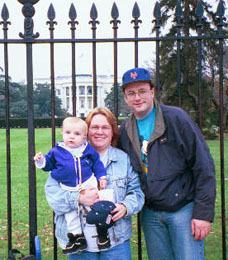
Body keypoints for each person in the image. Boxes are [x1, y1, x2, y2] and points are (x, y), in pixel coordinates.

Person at [118, 67, 216, 260]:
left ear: (152, 92)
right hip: (151, 213)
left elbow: (203, 165)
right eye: (131, 93)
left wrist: (203, 213)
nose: (137, 97)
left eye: (142, 91)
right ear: (125, 97)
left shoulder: (176, 119)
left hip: (184, 209)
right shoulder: (125, 130)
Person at [44, 108, 145, 260]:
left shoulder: (123, 159)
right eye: (95, 127)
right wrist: (78, 198)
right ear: (87, 132)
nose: (100, 132)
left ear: (113, 131)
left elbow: (137, 193)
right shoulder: (64, 158)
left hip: (115, 242)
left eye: (105, 127)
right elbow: (53, 195)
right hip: (81, 246)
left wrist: (125, 207)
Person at [34, 117, 108, 254]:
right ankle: (77, 237)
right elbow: (48, 165)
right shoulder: (57, 151)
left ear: (84, 136)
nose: (71, 137)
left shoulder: (87, 150)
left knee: (94, 207)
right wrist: (41, 161)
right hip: (68, 187)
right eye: (68, 133)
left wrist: (101, 177)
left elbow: (97, 164)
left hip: (87, 182)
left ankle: (102, 232)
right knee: (70, 213)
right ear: (62, 133)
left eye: (77, 134)